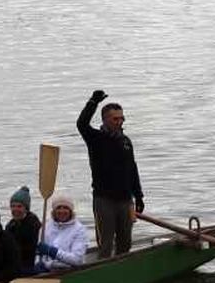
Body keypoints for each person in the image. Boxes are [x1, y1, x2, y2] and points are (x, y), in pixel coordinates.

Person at [77, 90, 144, 257]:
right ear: (105, 119)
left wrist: (139, 196)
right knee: (106, 244)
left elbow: (132, 169)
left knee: (125, 243)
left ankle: (124, 273)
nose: (119, 122)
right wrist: (93, 102)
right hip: (104, 200)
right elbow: (81, 124)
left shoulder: (126, 141)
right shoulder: (95, 139)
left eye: (122, 118)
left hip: (125, 200)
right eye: (115, 119)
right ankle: (102, 273)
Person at [37, 193, 90, 272]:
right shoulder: (46, 227)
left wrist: (52, 251)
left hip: (70, 271)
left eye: (65, 208)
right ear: (54, 211)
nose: (62, 211)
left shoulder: (80, 229)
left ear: (70, 211)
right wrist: (39, 262)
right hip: (47, 271)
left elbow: (77, 260)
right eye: (58, 208)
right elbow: (39, 254)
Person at [4, 186, 42, 274]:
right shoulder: (10, 225)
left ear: (26, 208)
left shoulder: (33, 224)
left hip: (28, 266)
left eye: (19, 206)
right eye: (13, 206)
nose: (15, 209)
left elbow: (28, 250)